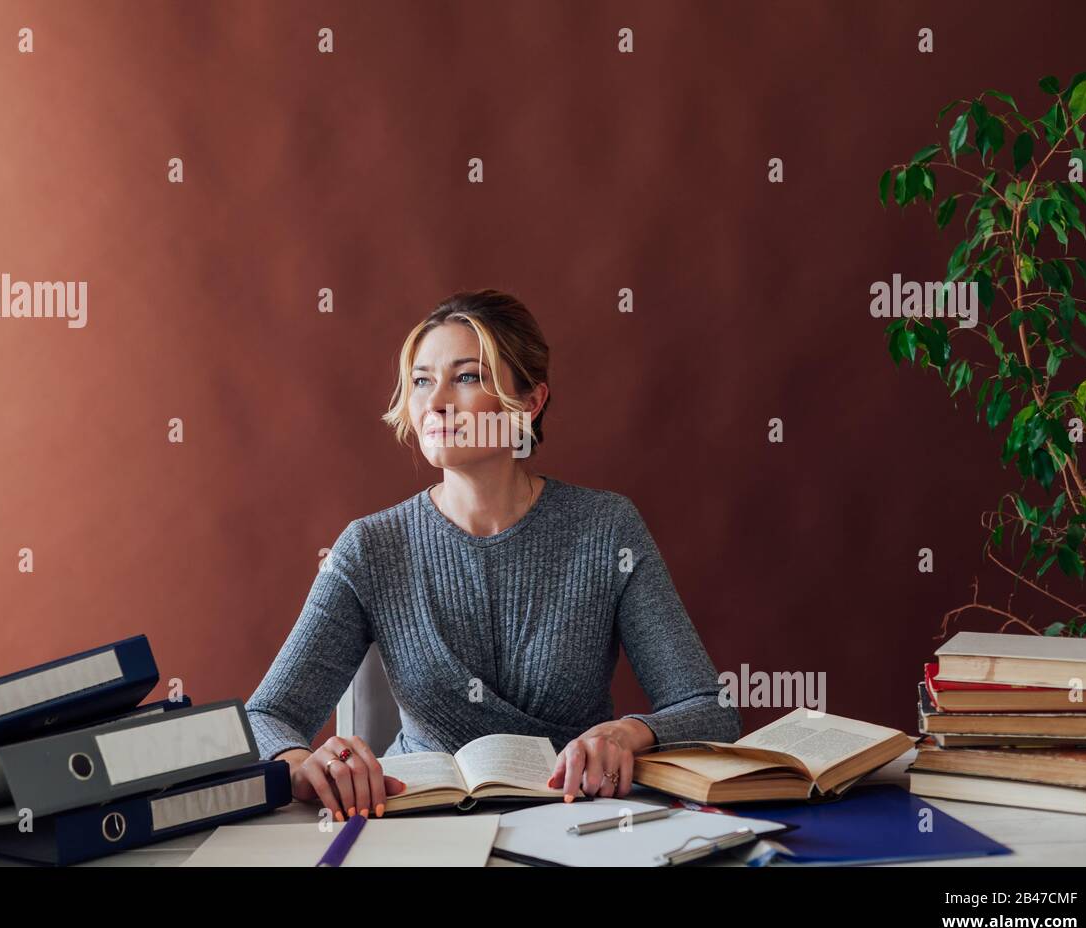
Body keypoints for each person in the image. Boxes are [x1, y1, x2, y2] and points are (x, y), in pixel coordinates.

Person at [245, 288, 740, 821]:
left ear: (530, 402)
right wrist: (300, 762)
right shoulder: (370, 547)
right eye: (420, 381)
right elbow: (266, 715)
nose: (435, 403)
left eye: (466, 377)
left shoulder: (606, 527)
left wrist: (629, 733)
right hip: (415, 827)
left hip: (573, 821)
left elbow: (709, 711)